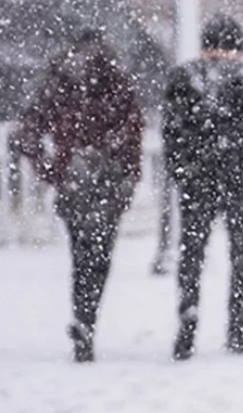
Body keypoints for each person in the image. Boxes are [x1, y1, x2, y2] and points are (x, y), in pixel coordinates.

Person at [9, 28, 144, 363]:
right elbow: (133, 132)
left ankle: (83, 318)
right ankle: (88, 318)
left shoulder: (60, 82)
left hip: (74, 180)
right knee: (100, 256)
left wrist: (51, 169)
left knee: (81, 255)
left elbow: (27, 132)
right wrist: (129, 174)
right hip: (109, 179)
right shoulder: (115, 81)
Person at [162, 13, 243, 361]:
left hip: (197, 181)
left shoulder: (184, 77)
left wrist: (181, 171)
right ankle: (236, 330)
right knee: (241, 256)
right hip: (240, 181)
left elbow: (172, 132)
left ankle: (187, 324)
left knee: (192, 255)